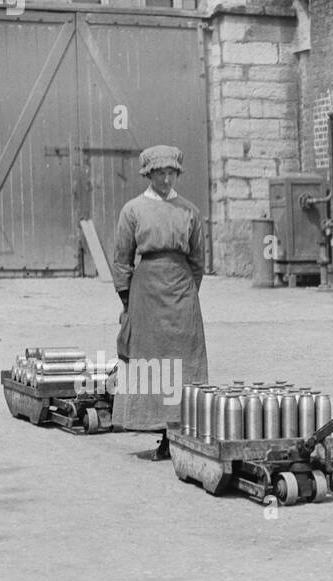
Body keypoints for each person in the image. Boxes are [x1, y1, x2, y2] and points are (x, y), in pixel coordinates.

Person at [112, 144, 209, 457]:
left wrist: (186, 293)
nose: (166, 179)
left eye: (171, 172)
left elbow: (197, 261)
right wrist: (128, 300)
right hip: (146, 295)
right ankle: (158, 429)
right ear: (148, 174)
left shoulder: (189, 211)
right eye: (159, 173)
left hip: (182, 295)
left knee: (184, 362)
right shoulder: (133, 211)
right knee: (153, 364)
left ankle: (179, 435)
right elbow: (122, 259)